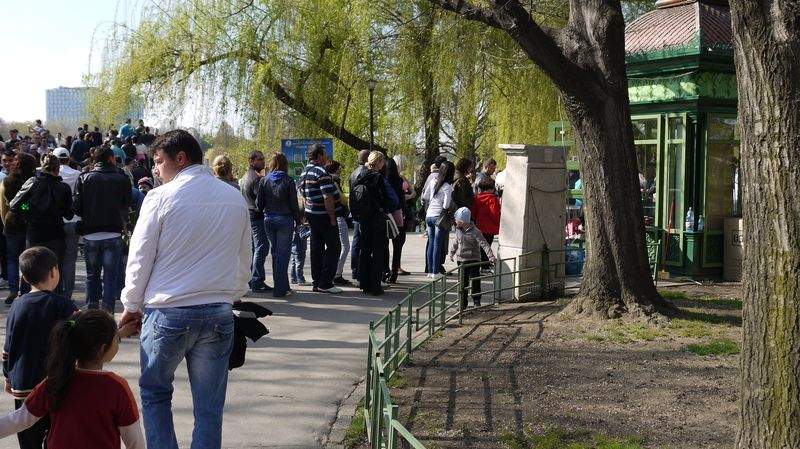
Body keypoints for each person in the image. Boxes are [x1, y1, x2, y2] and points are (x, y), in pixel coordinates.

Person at [119, 129, 249, 449]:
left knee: (155, 394)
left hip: (168, 310)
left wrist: (132, 303)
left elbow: (140, 255)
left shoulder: (160, 198)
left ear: (180, 159)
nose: (155, 169)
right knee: (209, 407)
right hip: (217, 310)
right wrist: (227, 294)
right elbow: (245, 257)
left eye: (159, 162)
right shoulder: (234, 196)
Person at [0, 309, 144, 449]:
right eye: (116, 339)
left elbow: (19, 420)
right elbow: (134, 441)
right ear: (103, 348)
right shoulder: (116, 387)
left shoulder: (56, 380)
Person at [1, 247, 78, 448]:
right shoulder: (63, 305)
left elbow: (8, 346)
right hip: (55, 383)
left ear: (25, 278)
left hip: (23, 383)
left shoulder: (17, 306)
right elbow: (81, 335)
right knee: (57, 434)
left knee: (28, 436)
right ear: (54, 271)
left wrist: (8, 376)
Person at [73, 146, 132, 312]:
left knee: (92, 276)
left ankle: (91, 314)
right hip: (113, 232)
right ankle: (107, 315)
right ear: (110, 159)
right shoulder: (121, 178)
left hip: (91, 234)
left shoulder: (85, 178)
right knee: (110, 278)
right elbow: (126, 203)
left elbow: (76, 208)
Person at [10, 155, 74, 293]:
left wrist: (28, 210)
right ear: (57, 169)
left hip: (35, 233)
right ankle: (55, 304)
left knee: (30, 268)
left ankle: (26, 301)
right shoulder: (63, 188)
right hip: (55, 233)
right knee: (54, 270)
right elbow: (69, 214)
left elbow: (15, 205)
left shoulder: (32, 182)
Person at [299, 144, 343, 294]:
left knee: (316, 248)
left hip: (311, 214)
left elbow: (303, 195)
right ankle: (326, 283)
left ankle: (317, 281)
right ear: (318, 156)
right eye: (324, 154)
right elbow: (327, 196)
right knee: (335, 246)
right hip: (324, 215)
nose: (327, 157)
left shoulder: (304, 171)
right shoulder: (321, 172)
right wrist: (332, 216)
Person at [256, 153, 301, 298]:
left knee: (276, 253)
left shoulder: (264, 180)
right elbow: (294, 204)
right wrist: (298, 220)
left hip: (269, 219)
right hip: (285, 220)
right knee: (283, 255)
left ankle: (283, 285)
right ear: (284, 164)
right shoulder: (288, 180)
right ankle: (280, 289)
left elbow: (259, 204)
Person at [353, 151, 396, 295]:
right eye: (382, 162)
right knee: (378, 252)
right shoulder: (379, 178)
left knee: (364, 250)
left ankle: (364, 282)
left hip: (363, 218)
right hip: (377, 218)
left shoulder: (358, 176)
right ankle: (375, 285)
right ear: (379, 163)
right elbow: (392, 198)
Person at [0, 153, 37, 304]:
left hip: (11, 222)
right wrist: (25, 208)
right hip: (28, 224)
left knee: (12, 259)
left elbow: (4, 206)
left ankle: (13, 289)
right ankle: (25, 290)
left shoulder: (7, 181)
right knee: (27, 259)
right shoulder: (34, 180)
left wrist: (4, 222)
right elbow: (27, 203)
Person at [449, 207, 495, 309]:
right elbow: (456, 242)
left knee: (475, 280)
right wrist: (452, 253)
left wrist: (491, 256)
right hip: (461, 260)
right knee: (462, 283)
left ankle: (477, 300)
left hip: (473, 259)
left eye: (456, 219)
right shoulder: (458, 230)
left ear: (462, 221)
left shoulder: (476, 231)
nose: (454, 221)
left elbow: (484, 244)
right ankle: (462, 303)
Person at [240, 151, 272, 292]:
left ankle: (252, 279)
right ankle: (257, 280)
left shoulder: (245, 177)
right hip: (256, 215)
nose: (263, 162)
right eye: (260, 159)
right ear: (251, 161)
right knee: (262, 247)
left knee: (254, 248)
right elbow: (260, 202)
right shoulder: (256, 178)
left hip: (249, 214)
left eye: (263, 159)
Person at [423, 161, 454, 278]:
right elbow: (446, 206)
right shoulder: (447, 187)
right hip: (439, 217)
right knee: (437, 244)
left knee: (431, 243)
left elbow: (425, 196)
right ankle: (436, 271)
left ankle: (430, 271)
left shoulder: (432, 181)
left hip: (429, 215)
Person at [325, 160, 351, 285]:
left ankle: (334, 272)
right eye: (339, 169)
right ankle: (337, 273)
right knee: (345, 246)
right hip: (338, 216)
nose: (340, 172)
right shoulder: (334, 181)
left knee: (335, 246)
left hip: (331, 216)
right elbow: (342, 200)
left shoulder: (327, 180)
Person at [385, 157, 411, 283]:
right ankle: (394, 272)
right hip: (399, 214)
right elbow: (407, 192)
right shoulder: (399, 180)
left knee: (384, 245)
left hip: (386, 215)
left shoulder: (383, 180)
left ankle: (384, 271)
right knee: (397, 245)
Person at [348, 149, 370, 281]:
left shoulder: (353, 173)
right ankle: (359, 270)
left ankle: (355, 269)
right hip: (363, 212)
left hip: (355, 211)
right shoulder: (365, 173)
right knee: (362, 242)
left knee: (356, 241)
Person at [471, 177, 501, 266]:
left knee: (480, 246)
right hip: (490, 227)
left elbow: (473, 212)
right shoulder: (493, 199)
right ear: (492, 188)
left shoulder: (477, 198)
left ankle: (480, 263)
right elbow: (494, 213)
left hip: (479, 226)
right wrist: (497, 222)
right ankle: (484, 264)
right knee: (487, 245)